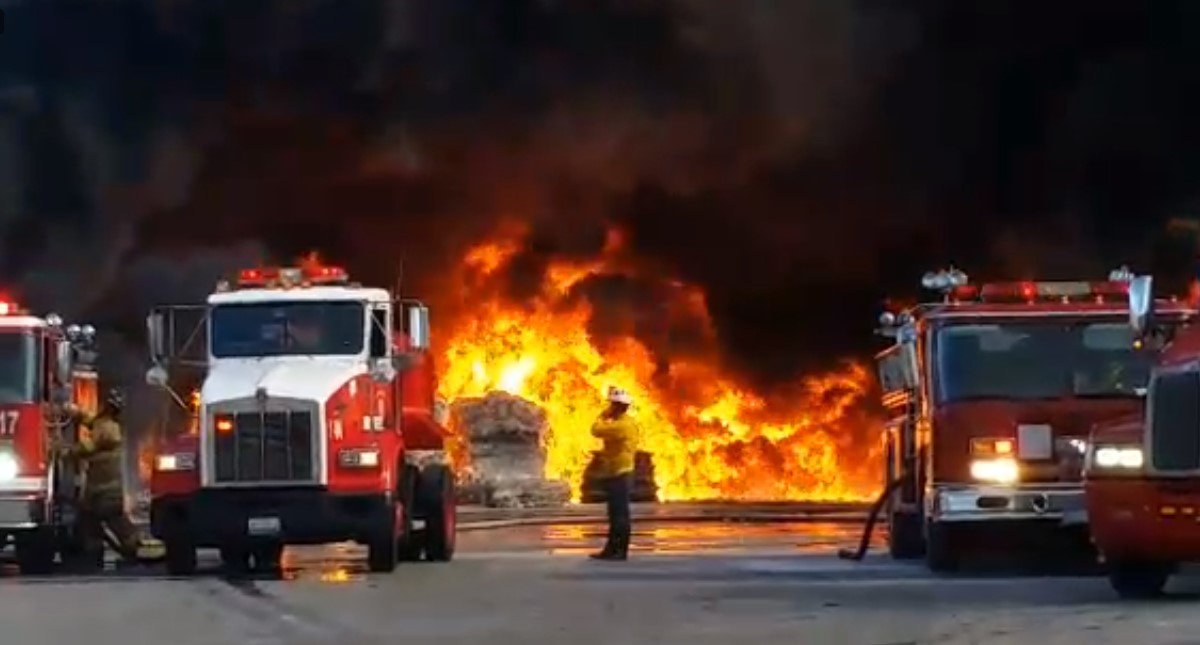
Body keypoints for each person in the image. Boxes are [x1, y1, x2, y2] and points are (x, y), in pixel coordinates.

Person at [59, 388, 156, 565]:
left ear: (108, 407)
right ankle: (97, 554)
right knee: (92, 523)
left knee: (114, 524)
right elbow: (92, 421)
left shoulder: (108, 428)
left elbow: (88, 447)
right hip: (101, 489)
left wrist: (64, 451)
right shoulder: (106, 424)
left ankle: (132, 551)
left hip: (106, 492)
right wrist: (75, 413)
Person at [588, 386, 640, 561]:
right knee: (616, 514)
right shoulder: (629, 422)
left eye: (612, 404)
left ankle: (619, 551)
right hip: (618, 472)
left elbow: (595, 430)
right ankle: (612, 549)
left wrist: (603, 415)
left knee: (619, 515)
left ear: (618, 406)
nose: (610, 407)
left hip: (620, 474)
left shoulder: (621, 426)